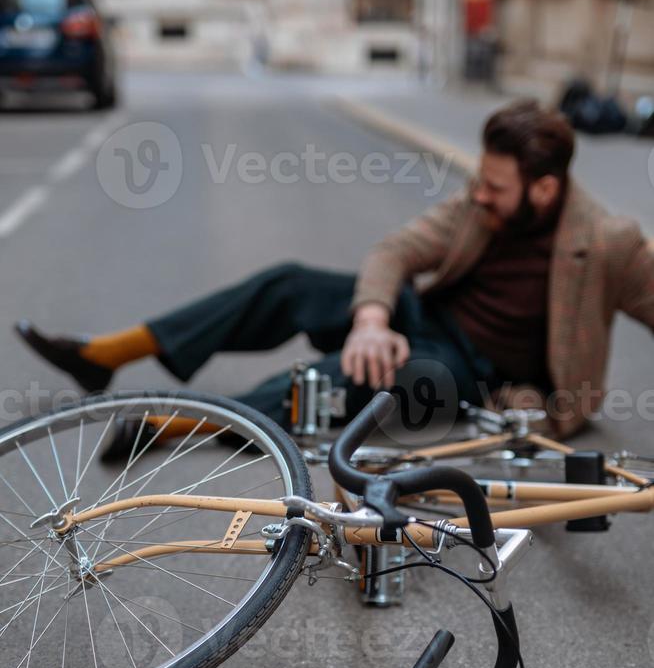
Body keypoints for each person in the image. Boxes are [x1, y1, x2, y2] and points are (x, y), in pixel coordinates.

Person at [15, 99, 654, 453]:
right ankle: (107, 354)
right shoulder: (481, 206)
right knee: (293, 282)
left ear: (544, 189)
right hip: (425, 319)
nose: (478, 195)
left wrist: (373, 346)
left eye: (494, 187)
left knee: (360, 373)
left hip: (476, 376)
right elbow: (394, 252)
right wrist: (373, 320)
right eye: (479, 182)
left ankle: (181, 425)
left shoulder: (608, 243)